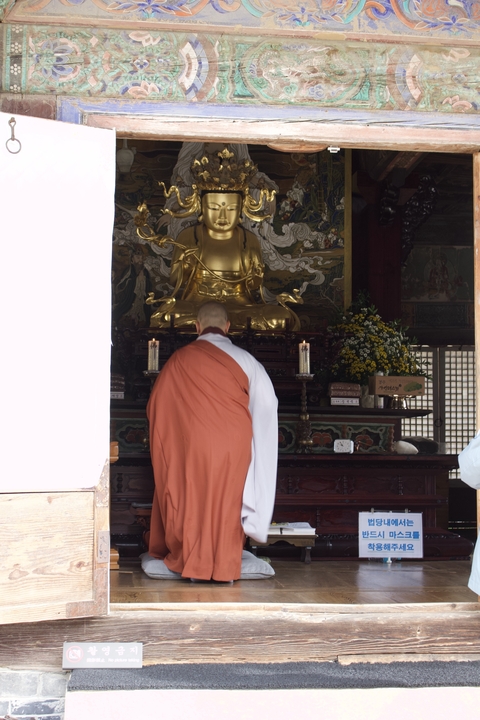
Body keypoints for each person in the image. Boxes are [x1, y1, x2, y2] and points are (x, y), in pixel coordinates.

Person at [144, 301, 278, 581]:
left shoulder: (179, 360)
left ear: (196, 326)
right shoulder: (247, 361)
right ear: (229, 327)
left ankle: (193, 560)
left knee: (191, 498)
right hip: (234, 446)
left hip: (190, 446)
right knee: (228, 502)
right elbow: (267, 407)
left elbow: (157, 406)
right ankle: (224, 565)